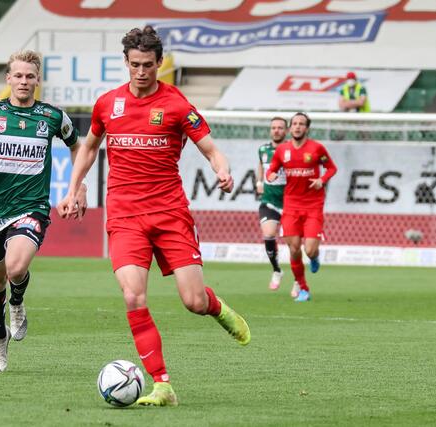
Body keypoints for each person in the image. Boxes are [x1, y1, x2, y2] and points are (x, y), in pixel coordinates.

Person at [57, 26, 250, 407]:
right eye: (135, 64)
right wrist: (73, 188)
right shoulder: (108, 103)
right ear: (126, 62)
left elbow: (211, 150)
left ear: (160, 63)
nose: (141, 71)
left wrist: (222, 170)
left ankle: (216, 308)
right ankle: (162, 385)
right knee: (133, 295)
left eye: (148, 64)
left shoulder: (176, 105)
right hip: (125, 215)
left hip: (170, 213)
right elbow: (90, 147)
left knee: (193, 301)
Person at [0, 50, 86, 373]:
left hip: (32, 207)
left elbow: (79, 147)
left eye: (30, 76)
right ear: (8, 78)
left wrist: (78, 186)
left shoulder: (53, 117)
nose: (24, 81)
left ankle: (18, 301)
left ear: (38, 80)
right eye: (19, 76)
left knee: (15, 267)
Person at [266, 112, 338, 302]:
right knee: (294, 249)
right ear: (290, 128)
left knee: (310, 250)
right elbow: (272, 169)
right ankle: (303, 288)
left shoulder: (316, 148)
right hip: (291, 205)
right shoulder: (282, 150)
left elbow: (332, 168)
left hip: (313, 205)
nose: (297, 126)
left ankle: (314, 257)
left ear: (307, 128)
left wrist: (322, 180)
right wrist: (270, 175)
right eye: (295, 123)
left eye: (301, 124)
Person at [256, 117, 287, 291]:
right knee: (268, 235)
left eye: (280, 128)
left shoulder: (291, 150)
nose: (276, 130)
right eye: (273, 127)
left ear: (286, 131)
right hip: (269, 200)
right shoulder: (263, 149)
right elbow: (261, 165)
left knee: (293, 244)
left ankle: (299, 281)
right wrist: (259, 182)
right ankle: (277, 270)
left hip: (290, 202)